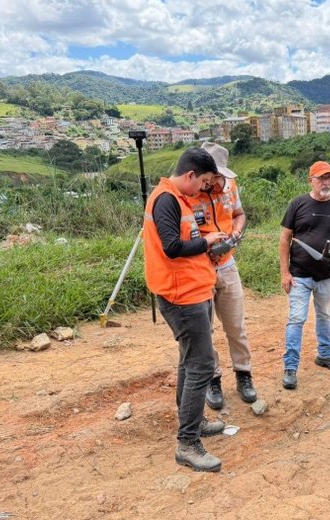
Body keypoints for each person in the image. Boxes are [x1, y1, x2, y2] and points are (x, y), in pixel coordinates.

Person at [142, 147, 228, 473]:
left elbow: (185, 240)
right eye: (203, 182)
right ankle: (188, 443)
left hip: (195, 290)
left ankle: (192, 420)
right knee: (201, 365)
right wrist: (207, 243)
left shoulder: (180, 199)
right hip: (181, 296)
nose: (204, 189)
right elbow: (172, 247)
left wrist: (209, 241)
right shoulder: (166, 200)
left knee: (189, 360)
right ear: (190, 175)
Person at [188, 141, 257, 410]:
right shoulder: (189, 193)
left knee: (236, 326)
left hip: (227, 265)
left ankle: (244, 375)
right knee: (204, 330)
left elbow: (239, 214)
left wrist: (236, 233)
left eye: (220, 176)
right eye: (213, 175)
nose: (217, 181)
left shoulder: (229, 186)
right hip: (200, 268)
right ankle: (212, 379)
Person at [279, 161, 330, 390]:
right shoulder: (298, 204)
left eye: (329, 177)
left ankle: (325, 355)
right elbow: (285, 239)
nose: (325, 182)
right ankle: (290, 366)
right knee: (297, 318)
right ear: (310, 180)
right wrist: (284, 272)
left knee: (324, 315)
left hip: (328, 275)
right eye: (321, 178)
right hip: (299, 274)